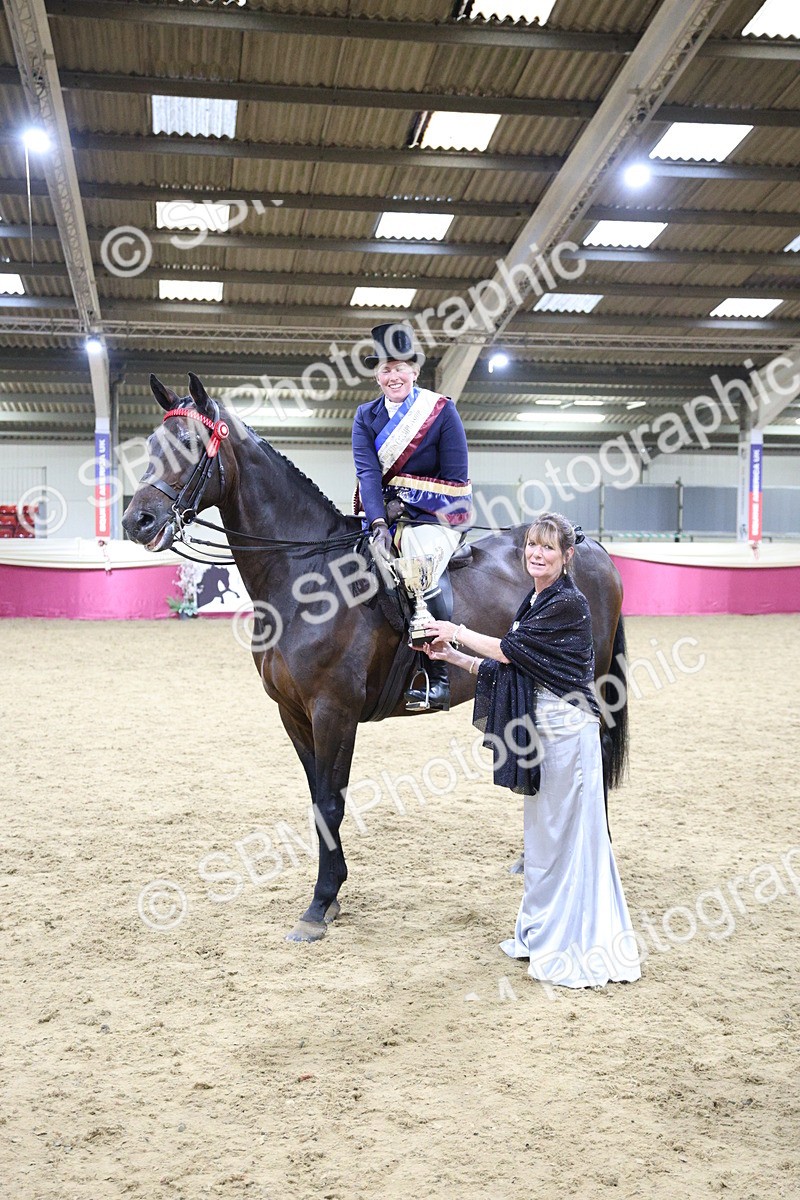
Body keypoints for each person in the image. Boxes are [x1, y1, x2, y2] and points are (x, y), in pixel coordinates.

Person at [423, 512, 641, 990]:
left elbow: (507, 651)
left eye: (547, 548)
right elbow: (516, 667)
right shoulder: (537, 597)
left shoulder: (569, 603)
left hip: (568, 738)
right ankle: (543, 931)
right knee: (543, 844)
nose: (536, 554)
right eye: (532, 547)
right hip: (548, 737)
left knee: (568, 845)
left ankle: (576, 940)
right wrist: (452, 658)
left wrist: (454, 630)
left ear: (566, 557)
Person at [352, 322, 472, 711]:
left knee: (418, 568)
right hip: (384, 516)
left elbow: (456, 482)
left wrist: (405, 505)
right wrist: (378, 523)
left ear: (414, 371)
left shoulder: (441, 411)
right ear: (377, 374)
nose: (393, 376)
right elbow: (368, 474)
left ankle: (437, 674)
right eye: (385, 369)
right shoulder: (364, 417)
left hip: (438, 516)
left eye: (400, 367)